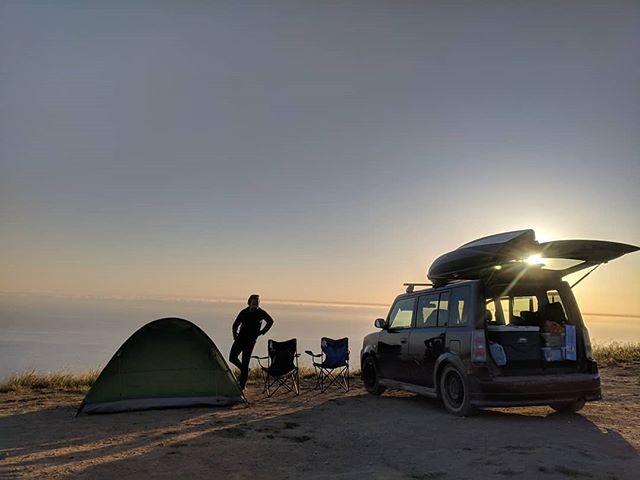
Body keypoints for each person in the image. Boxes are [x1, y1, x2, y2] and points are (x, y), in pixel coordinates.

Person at [229, 294, 274, 389]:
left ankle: (242, 386)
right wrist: (235, 335)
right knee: (232, 357)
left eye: (257, 303)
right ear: (249, 303)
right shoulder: (244, 312)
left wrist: (262, 332)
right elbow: (235, 325)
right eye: (253, 303)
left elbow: (270, 321)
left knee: (245, 361)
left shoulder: (261, 312)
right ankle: (244, 369)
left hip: (250, 341)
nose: (255, 306)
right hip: (240, 338)